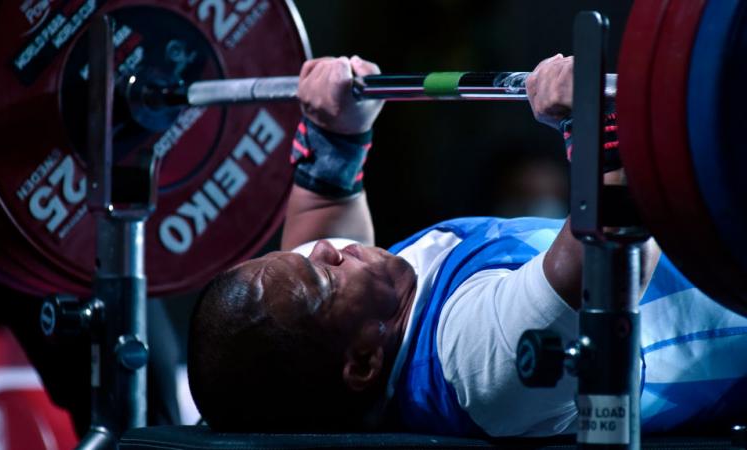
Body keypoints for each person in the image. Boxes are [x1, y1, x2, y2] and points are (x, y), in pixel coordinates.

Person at [187, 55, 747, 437]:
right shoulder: (475, 361)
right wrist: (594, 125)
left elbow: (317, 228)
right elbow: (609, 250)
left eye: (301, 257)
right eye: (322, 277)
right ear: (362, 362)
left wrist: (335, 137)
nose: (325, 252)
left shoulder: (348, 316)